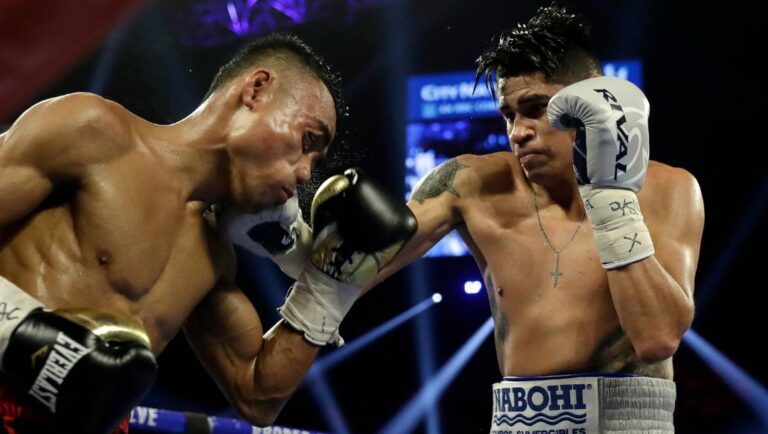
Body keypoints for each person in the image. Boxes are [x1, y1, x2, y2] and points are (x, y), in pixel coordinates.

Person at [0, 33, 415, 434]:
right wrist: (18, 331)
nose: (306, 172)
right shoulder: (94, 133)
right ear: (256, 89)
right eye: (307, 140)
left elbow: (257, 395)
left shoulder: (213, 255)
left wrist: (330, 283)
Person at [369, 6, 703, 433]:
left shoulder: (668, 189)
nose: (517, 131)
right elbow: (359, 265)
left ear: (591, 104)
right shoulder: (473, 186)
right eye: (508, 114)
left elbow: (657, 337)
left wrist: (609, 197)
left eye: (535, 108)